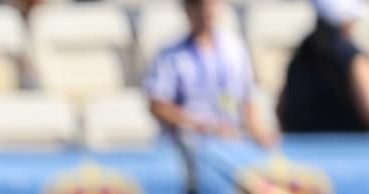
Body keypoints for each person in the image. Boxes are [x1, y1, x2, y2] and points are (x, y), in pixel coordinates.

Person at [143, 0, 277, 144]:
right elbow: (158, 106)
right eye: (198, 5)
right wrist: (205, 126)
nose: (206, 11)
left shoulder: (235, 48)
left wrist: (258, 132)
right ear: (187, 8)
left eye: (211, 4)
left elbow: (246, 102)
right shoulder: (170, 54)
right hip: (183, 150)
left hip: (228, 147)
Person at [277, 0, 369, 132]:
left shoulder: (300, 57)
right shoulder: (354, 60)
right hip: (348, 149)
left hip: (301, 148)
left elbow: (281, 109)